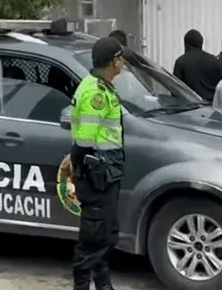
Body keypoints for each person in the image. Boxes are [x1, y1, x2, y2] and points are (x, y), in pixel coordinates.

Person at [70, 36, 126, 290]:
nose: (122, 63)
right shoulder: (96, 93)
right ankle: (82, 285)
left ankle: (103, 285)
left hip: (105, 171)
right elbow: (84, 140)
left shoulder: (100, 86)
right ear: (113, 62)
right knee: (94, 235)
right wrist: (89, 169)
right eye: (120, 58)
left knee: (105, 234)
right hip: (97, 173)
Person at [173, 29, 222, 102]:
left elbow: (175, 90)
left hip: (191, 108)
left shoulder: (181, 62)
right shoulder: (214, 60)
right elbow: (220, 85)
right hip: (212, 106)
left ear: (185, 44)